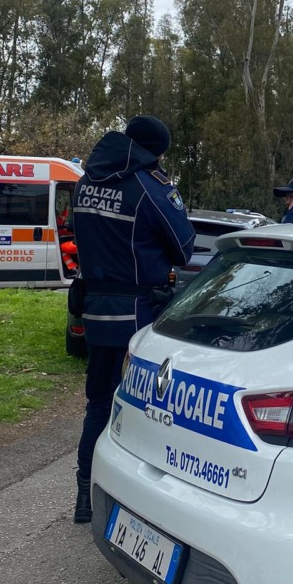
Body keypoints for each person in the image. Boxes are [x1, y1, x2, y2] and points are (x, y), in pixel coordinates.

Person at [69, 115, 195, 524]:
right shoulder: (148, 187)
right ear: (156, 151)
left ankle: (85, 498)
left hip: (93, 312)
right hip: (140, 317)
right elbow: (184, 247)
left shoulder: (85, 182)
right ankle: (139, 509)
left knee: (98, 406)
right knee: (146, 414)